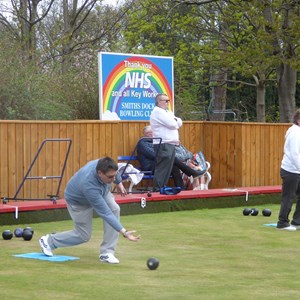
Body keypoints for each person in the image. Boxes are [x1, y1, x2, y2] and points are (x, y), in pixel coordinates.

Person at [39, 157, 140, 263]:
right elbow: (105, 213)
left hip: (101, 192)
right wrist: (125, 232)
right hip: (78, 202)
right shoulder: (89, 185)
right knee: (83, 236)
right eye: (110, 177)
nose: (113, 179)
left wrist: (119, 183)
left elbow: (115, 171)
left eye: (114, 176)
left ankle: (107, 253)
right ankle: (49, 241)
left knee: (115, 208)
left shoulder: (104, 165)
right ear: (100, 173)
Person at [137, 125, 205, 189]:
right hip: (150, 167)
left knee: (173, 164)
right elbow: (154, 155)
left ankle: (181, 188)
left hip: (159, 164)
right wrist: (166, 154)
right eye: (154, 133)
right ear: (148, 134)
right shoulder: (142, 143)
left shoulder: (155, 142)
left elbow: (161, 153)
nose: (156, 134)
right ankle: (192, 173)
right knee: (171, 159)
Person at [277, 109, 300, 231]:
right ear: (298, 120)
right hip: (291, 171)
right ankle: (282, 223)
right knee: (289, 197)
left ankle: (297, 221)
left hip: (297, 170)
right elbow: (294, 154)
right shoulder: (295, 133)